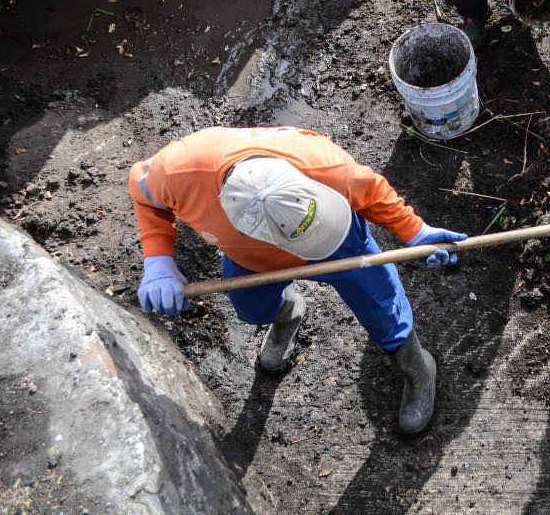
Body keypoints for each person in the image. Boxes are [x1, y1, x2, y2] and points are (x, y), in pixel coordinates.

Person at [129, 126, 465, 436]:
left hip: (340, 240)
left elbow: (374, 192)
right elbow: (144, 194)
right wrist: (158, 259)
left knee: (380, 302)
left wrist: (416, 232)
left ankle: (419, 369)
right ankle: (288, 312)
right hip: (253, 258)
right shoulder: (177, 171)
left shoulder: (327, 166)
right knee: (251, 307)